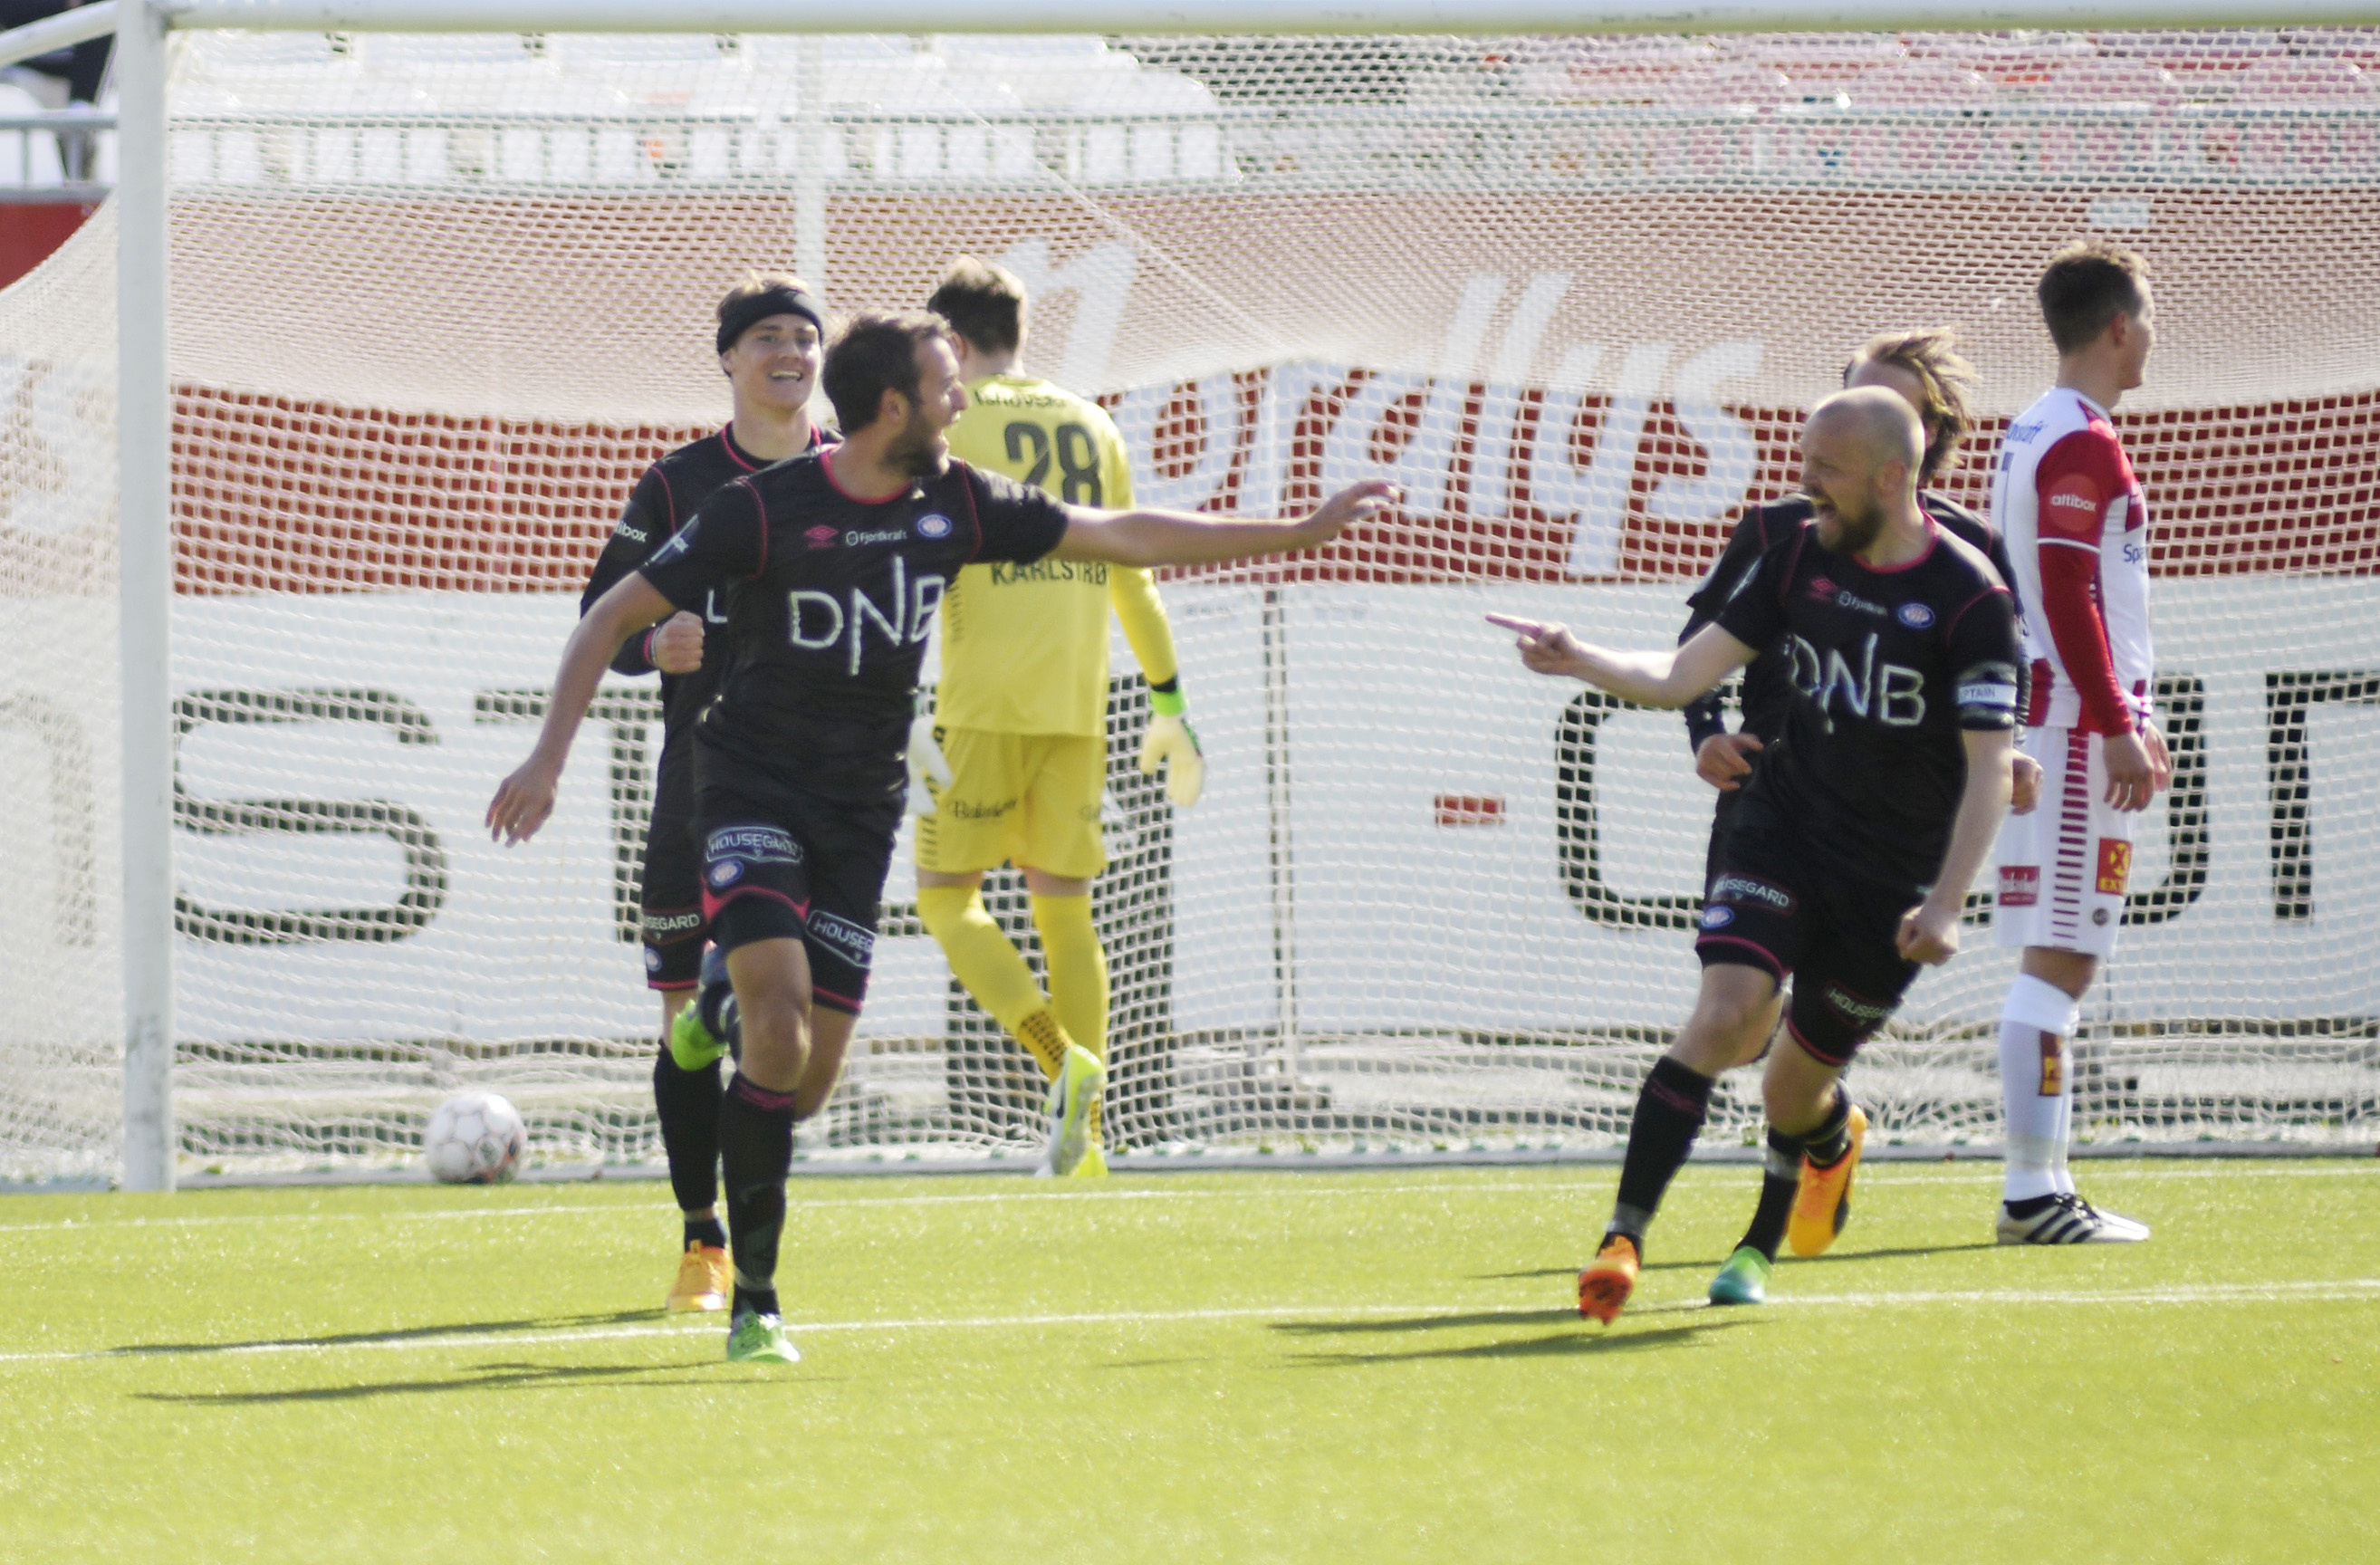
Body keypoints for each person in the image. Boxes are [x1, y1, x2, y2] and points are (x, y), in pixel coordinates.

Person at [488, 310, 1394, 1364]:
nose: (963, 402)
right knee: (776, 1034)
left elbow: (1122, 536)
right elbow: (606, 619)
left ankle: (709, 1023)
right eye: (947, 387)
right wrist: (546, 759)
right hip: (748, 788)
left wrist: (1296, 534)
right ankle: (758, 1304)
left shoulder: (958, 503)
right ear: (892, 407)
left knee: (808, 1082)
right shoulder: (759, 510)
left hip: (861, 810)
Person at [1490, 388, 2020, 1324]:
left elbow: (1990, 772)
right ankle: (1623, 1238)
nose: (1802, 481)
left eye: (1825, 466)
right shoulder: (1797, 559)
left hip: (1889, 878)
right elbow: (1684, 674)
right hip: (1781, 826)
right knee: (1726, 1014)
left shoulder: (1971, 598)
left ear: (1893, 477)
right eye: (1803, 459)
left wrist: (1944, 904)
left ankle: (1767, 1227)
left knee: (1789, 1088)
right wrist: (1579, 657)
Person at [1676, 329, 2043, 1307]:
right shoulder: (1780, 533)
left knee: (1786, 1046)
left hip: (1883, 841)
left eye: (1886, 404)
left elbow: (1995, 694)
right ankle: (1829, 1130)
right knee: (1742, 1026)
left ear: (1922, 438)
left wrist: (2013, 759)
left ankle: (1795, 1157)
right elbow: (1695, 646)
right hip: (1775, 804)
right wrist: (1707, 730)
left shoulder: (1970, 558)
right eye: (1846, 396)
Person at [909, 255, 1201, 1178]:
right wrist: (1169, 702)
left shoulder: (943, 425)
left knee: (948, 900)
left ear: (952, 343)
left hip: (981, 703)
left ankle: (1054, 1058)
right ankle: (1091, 1142)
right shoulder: (1092, 422)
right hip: (1078, 708)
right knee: (1068, 915)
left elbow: (897, 566)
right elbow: (1132, 576)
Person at [574, 275, 829, 1315]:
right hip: (699, 785)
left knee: (779, 1023)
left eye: (804, 338)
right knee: (691, 1008)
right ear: (727, 358)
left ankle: (753, 1259)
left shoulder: (856, 476)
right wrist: (652, 642)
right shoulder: (679, 485)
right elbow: (601, 615)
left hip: (818, 791)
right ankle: (704, 1240)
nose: (788, 353)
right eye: (765, 337)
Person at [1987, 243, 2170, 1244]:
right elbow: (2067, 591)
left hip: (2058, 720)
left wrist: (2128, 715)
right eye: (2148, 316)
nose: (2153, 334)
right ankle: (2031, 1194)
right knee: (2058, 962)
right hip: (2064, 727)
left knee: (2061, 958)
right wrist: (2113, 723)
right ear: (2117, 327)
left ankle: (2045, 1180)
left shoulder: (2032, 429)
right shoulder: (2082, 442)